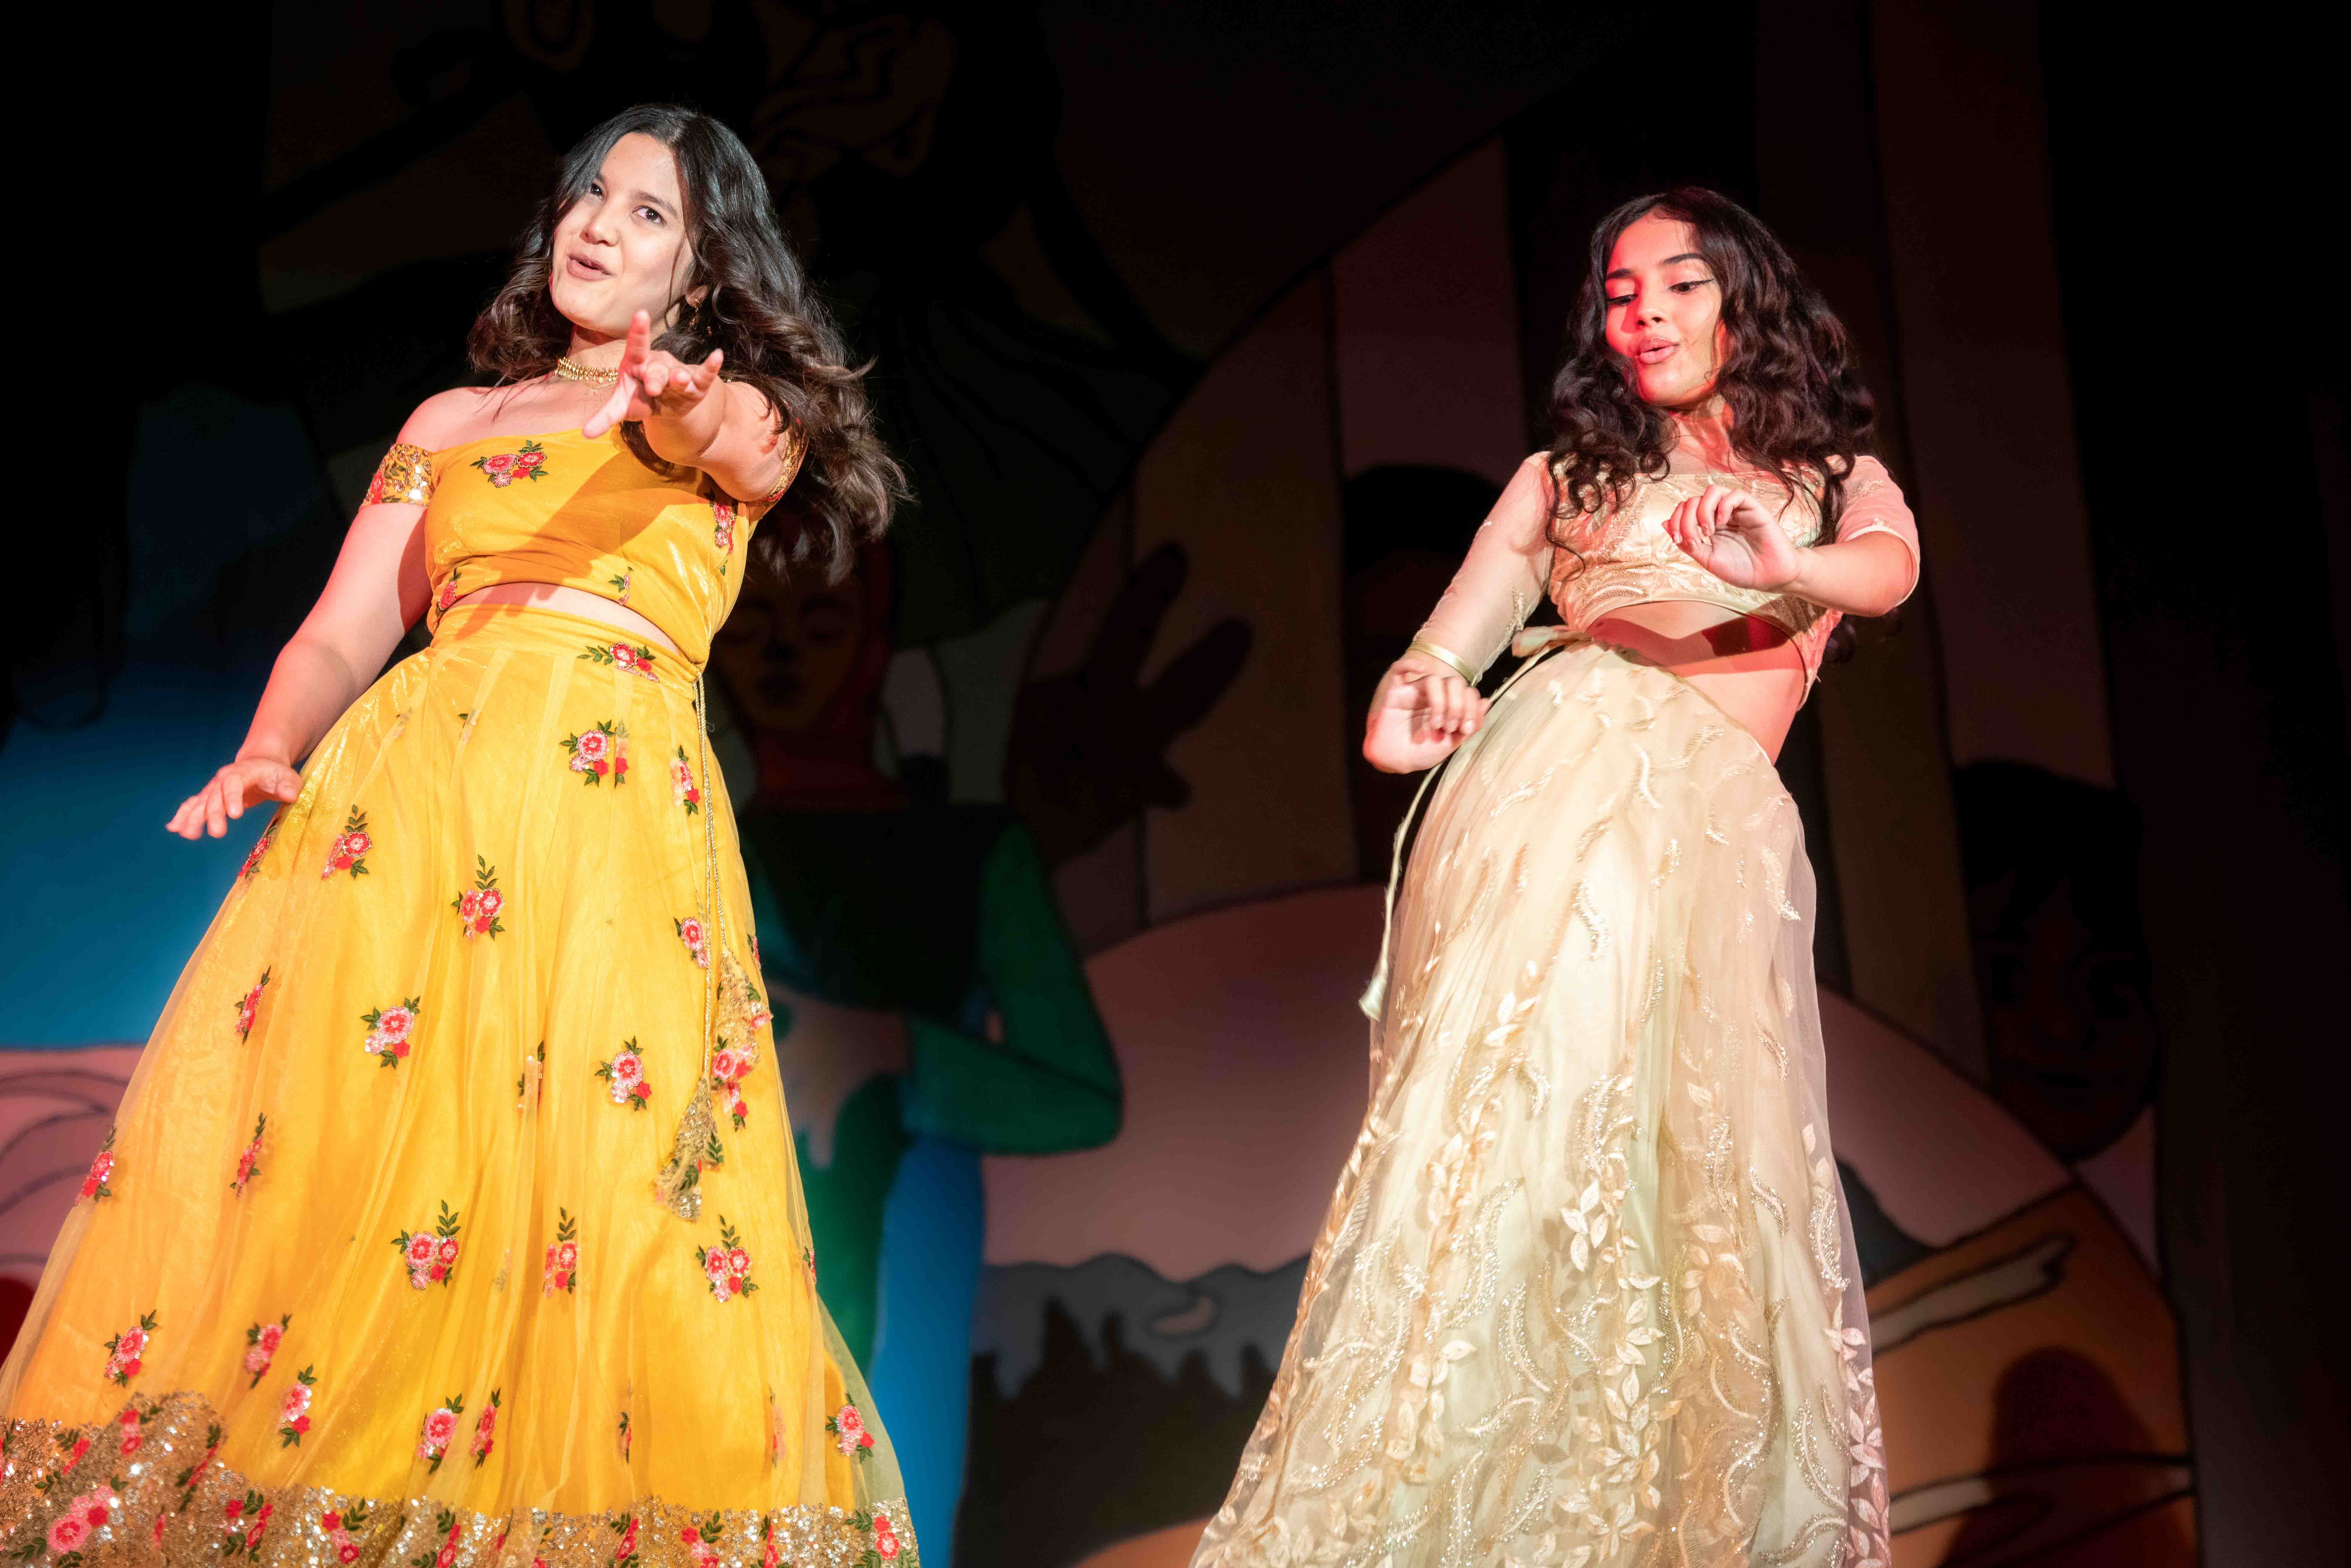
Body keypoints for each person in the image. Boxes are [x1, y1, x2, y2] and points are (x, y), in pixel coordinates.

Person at [0, 105, 919, 1566]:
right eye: (589, 194)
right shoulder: (449, 424)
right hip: (411, 821)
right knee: (357, 1171)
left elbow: (733, 454)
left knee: (609, 1184)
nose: (598, 223)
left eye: (648, 213)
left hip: (604, 837)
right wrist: (267, 746)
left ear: (699, 272)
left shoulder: (734, 410)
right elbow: (344, 628)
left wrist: (674, 400)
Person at [1192, 188, 1919, 1567]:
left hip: (1715, 830)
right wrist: (1412, 699)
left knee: (1700, 1168)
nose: (1643, 314)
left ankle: (1640, 1513)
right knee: (1533, 1127)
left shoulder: (1831, 482)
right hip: (1554, 794)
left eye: (1679, 285)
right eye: (1618, 293)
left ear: (1746, 302)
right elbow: (1445, 646)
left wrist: (1787, 562)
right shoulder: (1562, 478)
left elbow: (1884, 574)